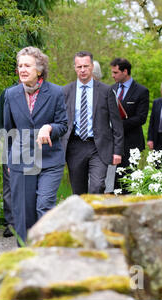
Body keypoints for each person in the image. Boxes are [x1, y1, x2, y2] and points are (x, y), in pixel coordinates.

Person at [3, 46, 67, 245]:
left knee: (44, 206)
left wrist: (49, 128)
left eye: (27, 65)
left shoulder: (56, 92)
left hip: (49, 160)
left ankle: (47, 253)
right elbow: (8, 130)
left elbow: (63, 125)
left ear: (39, 69)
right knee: (24, 213)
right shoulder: (10, 94)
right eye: (20, 65)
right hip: (21, 161)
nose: (22, 69)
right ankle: (26, 256)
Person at [61, 51, 123, 195]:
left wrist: (117, 151)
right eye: (79, 67)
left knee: (97, 186)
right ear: (75, 68)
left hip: (98, 147)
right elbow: (61, 121)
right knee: (78, 192)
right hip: (74, 146)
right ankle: (84, 217)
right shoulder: (65, 91)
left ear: (92, 66)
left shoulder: (106, 91)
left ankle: (96, 215)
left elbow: (117, 124)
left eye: (86, 66)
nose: (82, 70)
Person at [110, 58, 149, 193]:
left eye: (115, 72)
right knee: (112, 181)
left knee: (127, 181)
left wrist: (118, 125)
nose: (112, 76)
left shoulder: (141, 91)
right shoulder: (111, 89)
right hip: (113, 143)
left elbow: (141, 118)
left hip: (132, 143)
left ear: (125, 71)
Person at [0, 81, 19, 238]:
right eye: (21, 66)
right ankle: (11, 223)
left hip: (34, 144)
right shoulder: (7, 94)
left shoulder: (42, 92)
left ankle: (31, 220)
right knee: (9, 183)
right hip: (10, 142)